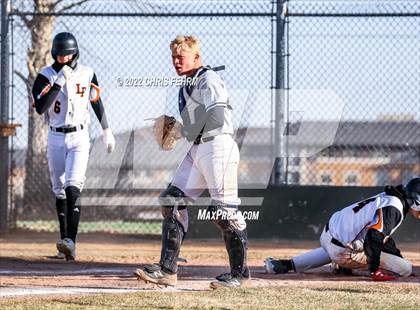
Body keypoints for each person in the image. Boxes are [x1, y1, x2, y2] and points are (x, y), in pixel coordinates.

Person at [134, 35, 250, 289]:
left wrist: (182, 129)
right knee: (172, 200)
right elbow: (196, 127)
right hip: (200, 149)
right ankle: (167, 270)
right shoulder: (186, 84)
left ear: (196, 57)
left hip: (218, 146)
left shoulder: (208, 79)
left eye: (181, 57)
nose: (176, 61)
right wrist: (179, 130)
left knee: (225, 212)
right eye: (173, 57)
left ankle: (241, 275)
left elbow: (217, 117)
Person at [32, 32, 115, 261]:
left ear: (75, 53)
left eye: (67, 55)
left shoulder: (87, 73)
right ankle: (64, 242)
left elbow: (96, 101)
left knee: (73, 185)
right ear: (53, 54)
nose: (63, 59)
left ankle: (71, 240)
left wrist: (107, 130)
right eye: (59, 55)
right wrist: (59, 80)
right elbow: (41, 107)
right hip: (55, 137)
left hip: (80, 136)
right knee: (58, 189)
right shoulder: (45, 76)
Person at [265, 178, 420, 281]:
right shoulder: (395, 208)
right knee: (405, 269)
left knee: (338, 248)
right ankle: (343, 265)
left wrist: (397, 256)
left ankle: (285, 265)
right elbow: (374, 237)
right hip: (343, 251)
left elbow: (382, 238)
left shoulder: (389, 197)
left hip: (327, 236)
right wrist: (374, 270)